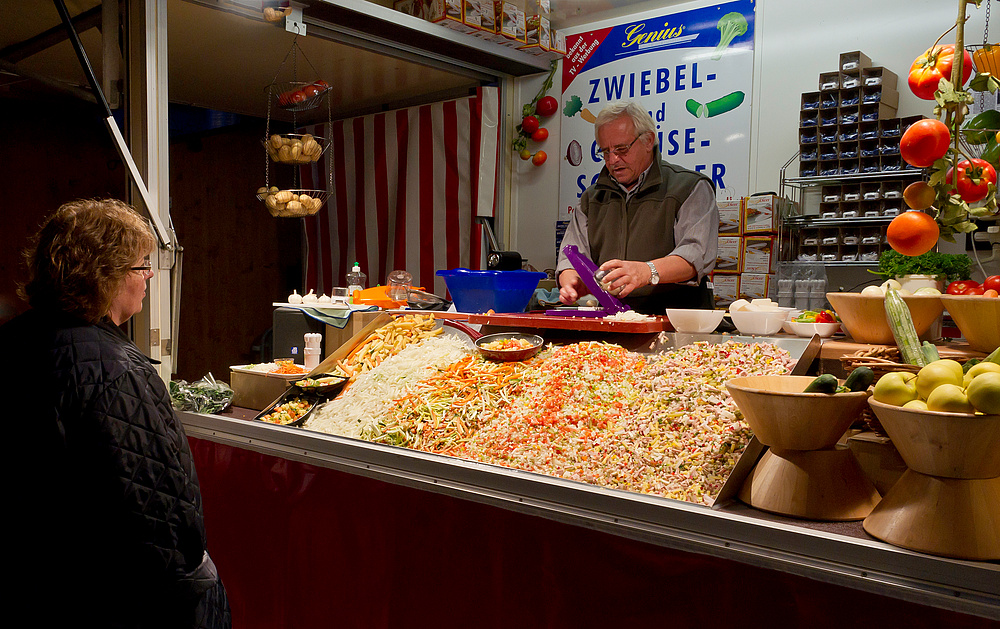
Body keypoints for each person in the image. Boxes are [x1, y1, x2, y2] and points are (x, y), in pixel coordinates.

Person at [0, 199, 231, 628]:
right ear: (104, 276)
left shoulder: (15, 340)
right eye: (142, 265)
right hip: (117, 599)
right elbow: (161, 519)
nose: (148, 279)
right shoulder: (115, 370)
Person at [557, 101, 719, 314]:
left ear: (648, 141)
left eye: (621, 149)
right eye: (605, 152)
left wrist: (646, 271)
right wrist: (572, 282)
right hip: (614, 320)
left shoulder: (690, 187)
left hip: (677, 320)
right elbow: (571, 256)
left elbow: (695, 256)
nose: (613, 160)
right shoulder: (591, 199)